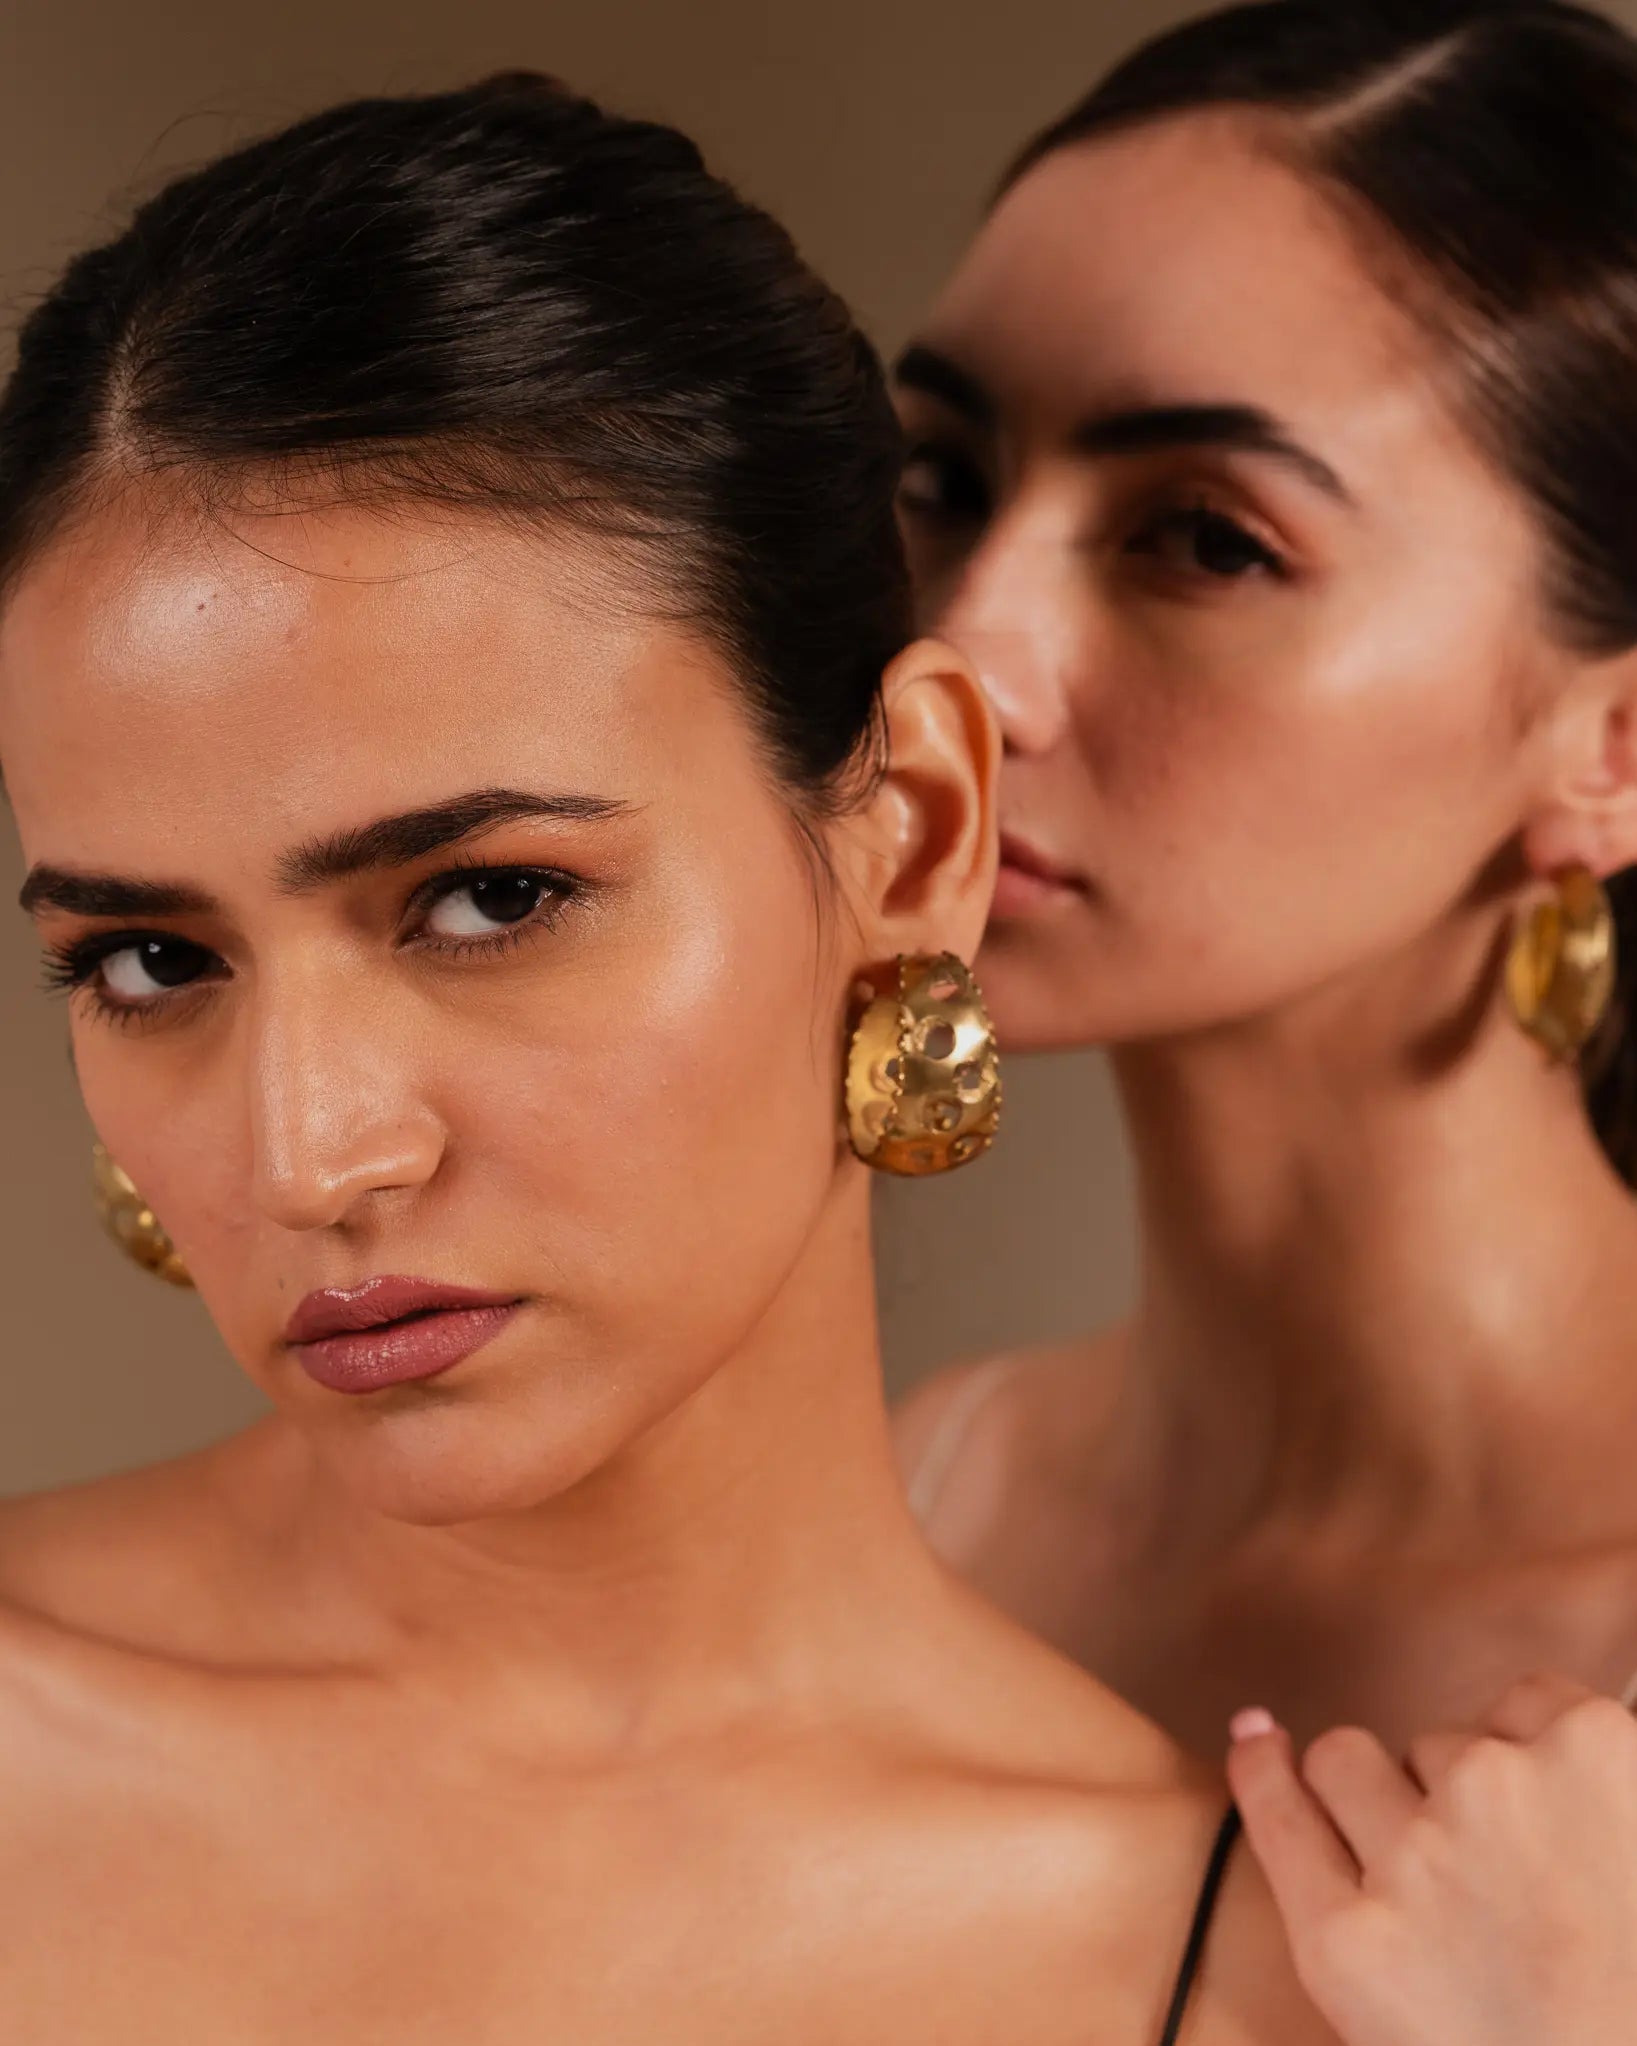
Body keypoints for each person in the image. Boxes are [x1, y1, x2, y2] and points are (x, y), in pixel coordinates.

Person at [0, 73, 1326, 2044]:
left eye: (490, 900)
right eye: (152, 958)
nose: (310, 1155)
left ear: (919, 835)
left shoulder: (1241, 1977)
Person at [891, 0, 1637, 1762]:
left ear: (1610, 749)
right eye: (941, 479)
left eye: (1207, 538)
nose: (960, 664)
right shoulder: (923, 1501)